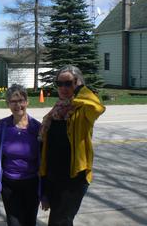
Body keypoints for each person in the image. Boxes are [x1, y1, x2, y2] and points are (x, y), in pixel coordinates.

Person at [39, 65, 105, 226]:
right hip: (53, 176)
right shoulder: (56, 110)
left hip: (74, 177)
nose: (63, 88)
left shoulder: (83, 110)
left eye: (68, 83)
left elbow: (97, 107)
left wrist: (80, 89)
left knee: (60, 220)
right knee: (58, 219)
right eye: (59, 84)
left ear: (77, 83)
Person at [0, 84, 41, 226]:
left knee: (29, 221)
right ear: (8, 104)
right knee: (14, 222)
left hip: (31, 183)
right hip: (9, 184)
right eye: (13, 101)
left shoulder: (37, 127)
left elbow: (44, 156)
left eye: (21, 100)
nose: (18, 105)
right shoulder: (2, 126)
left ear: (27, 102)